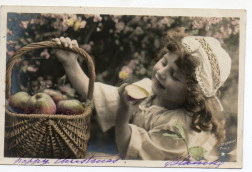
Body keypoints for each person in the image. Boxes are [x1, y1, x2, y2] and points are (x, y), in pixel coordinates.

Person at [53, 27, 231, 161]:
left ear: (191, 93)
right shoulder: (149, 90)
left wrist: (123, 114)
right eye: (164, 62)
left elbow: (127, 151)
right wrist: (70, 63)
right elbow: (97, 93)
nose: (161, 73)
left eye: (174, 76)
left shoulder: (179, 127)